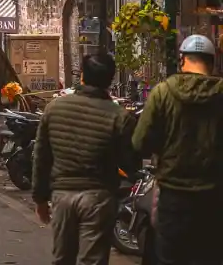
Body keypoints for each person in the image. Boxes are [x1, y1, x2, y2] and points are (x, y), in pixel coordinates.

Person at [32, 53, 137, 265]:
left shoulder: (54, 108)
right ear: (110, 80)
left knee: (62, 259)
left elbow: (41, 157)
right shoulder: (119, 117)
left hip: (62, 196)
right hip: (98, 198)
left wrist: (40, 198)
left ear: (82, 77)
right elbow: (131, 162)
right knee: (93, 261)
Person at [132, 34, 223, 265]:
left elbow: (140, 142)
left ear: (182, 60)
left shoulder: (163, 92)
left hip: (173, 197)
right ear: (212, 62)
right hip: (214, 198)